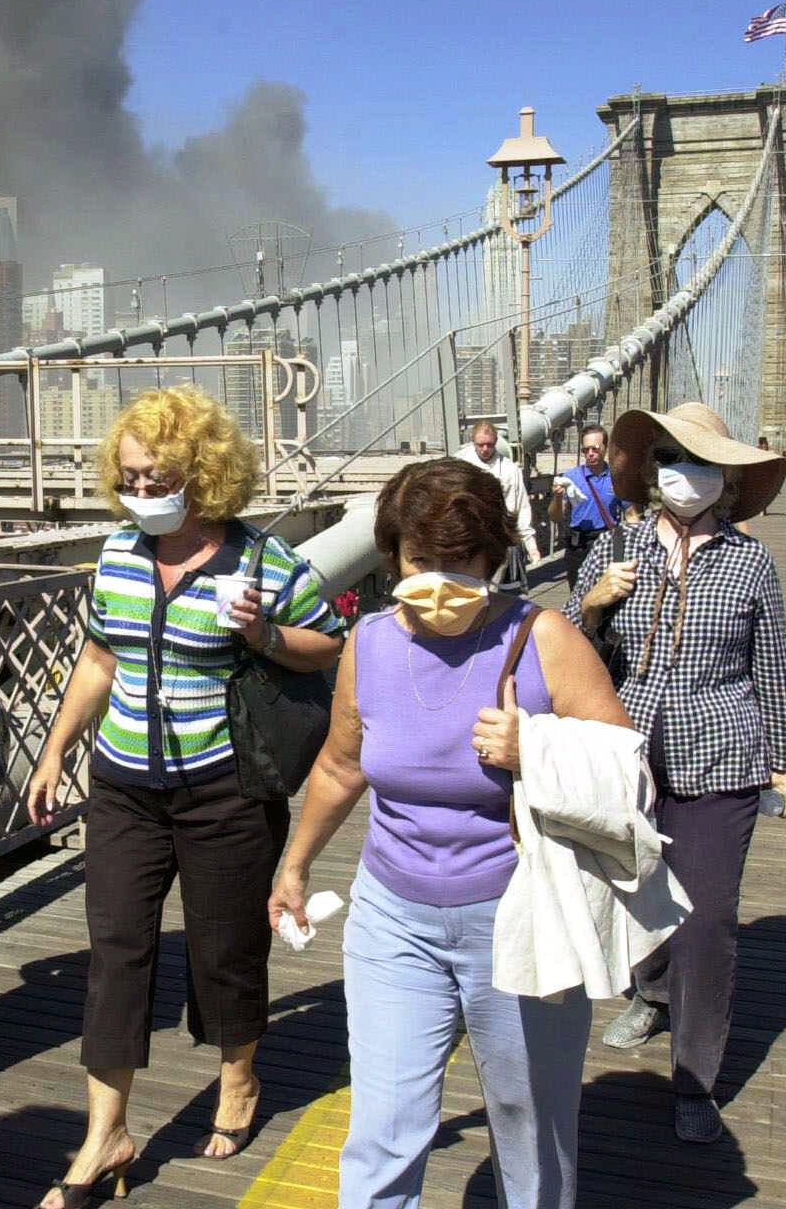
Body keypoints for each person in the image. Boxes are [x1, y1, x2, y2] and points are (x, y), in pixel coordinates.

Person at [267, 457, 627, 1208]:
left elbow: (629, 774)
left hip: (521, 920)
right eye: (420, 562)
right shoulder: (368, 644)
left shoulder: (544, 638)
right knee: (384, 1125)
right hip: (393, 918)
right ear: (393, 556)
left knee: (531, 1126)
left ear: (493, 556)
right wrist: (293, 866)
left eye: (460, 563)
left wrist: (536, 751)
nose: (438, 582)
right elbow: (339, 766)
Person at [25, 385, 344, 1207]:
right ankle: (105, 1132)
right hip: (125, 785)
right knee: (116, 950)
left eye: (156, 478)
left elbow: (325, 649)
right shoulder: (117, 555)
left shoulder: (263, 561)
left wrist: (263, 634)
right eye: (128, 479)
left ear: (202, 475)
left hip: (225, 788)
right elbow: (100, 658)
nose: (140, 495)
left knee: (224, 946)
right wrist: (56, 749)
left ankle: (239, 1079)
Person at [565, 403, 786, 1144]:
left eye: (700, 462)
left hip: (722, 751)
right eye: (670, 457)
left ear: (727, 480)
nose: (683, 474)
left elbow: (773, 666)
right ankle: (653, 990)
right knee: (638, 890)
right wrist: (594, 605)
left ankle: (695, 1076)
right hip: (627, 746)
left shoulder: (750, 562)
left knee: (706, 915)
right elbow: (565, 649)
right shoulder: (616, 547)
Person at [453, 420, 540, 572]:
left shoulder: (509, 469)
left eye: (490, 444)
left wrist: (531, 546)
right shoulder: (459, 464)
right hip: (467, 536)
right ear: (473, 442)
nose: (485, 449)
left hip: (498, 537)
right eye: (481, 445)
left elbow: (520, 506)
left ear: (496, 442)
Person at [546, 423, 624, 590]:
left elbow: (631, 515)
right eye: (585, 450)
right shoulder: (571, 477)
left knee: (609, 593)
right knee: (578, 595)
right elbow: (555, 517)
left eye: (595, 449)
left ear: (605, 448)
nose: (590, 454)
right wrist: (557, 498)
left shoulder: (617, 478)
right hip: (578, 545)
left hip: (607, 542)